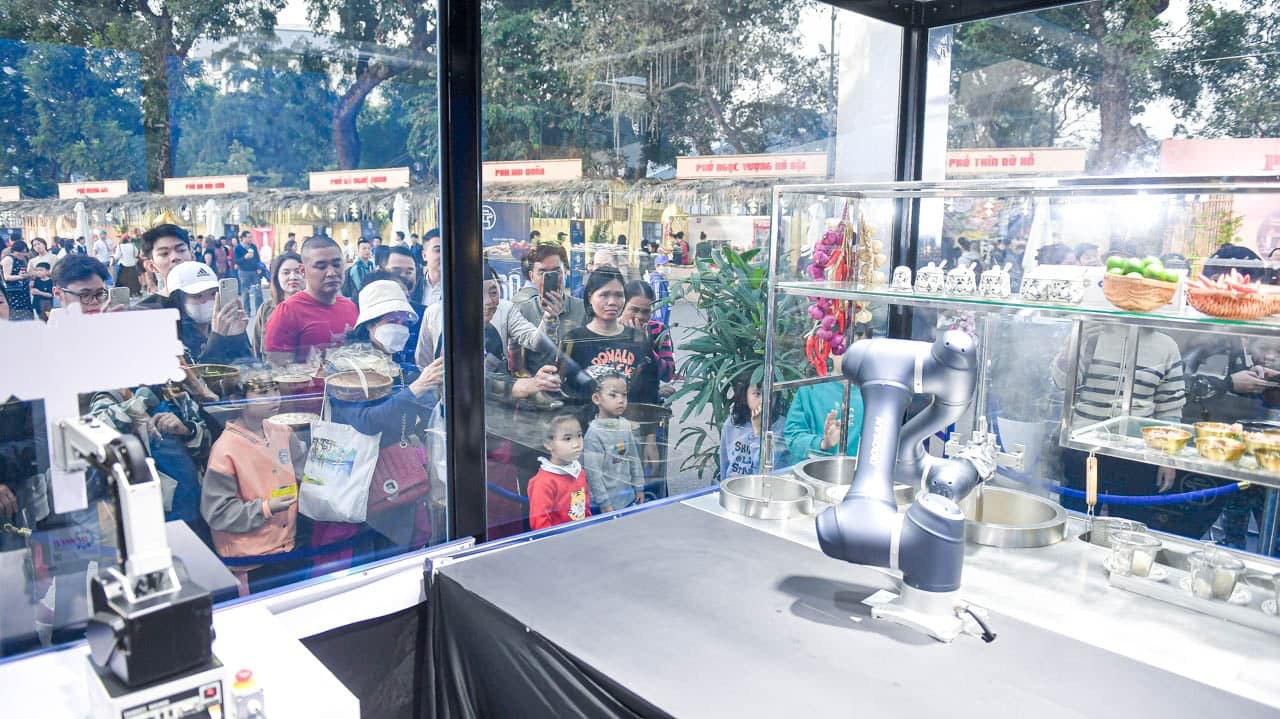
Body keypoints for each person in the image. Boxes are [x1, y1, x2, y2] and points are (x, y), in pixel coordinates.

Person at [314, 279, 441, 567]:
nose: (400, 327)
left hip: (400, 480)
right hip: (361, 481)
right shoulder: (345, 365)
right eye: (391, 320)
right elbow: (365, 421)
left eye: (404, 321)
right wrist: (417, 389)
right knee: (365, 562)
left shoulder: (401, 367)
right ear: (370, 324)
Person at [1052, 325, 1185, 524]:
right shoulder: (1090, 335)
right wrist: (1071, 347)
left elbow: (1170, 409)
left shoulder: (1167, 346)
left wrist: (1167, 458)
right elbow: (1061, 382)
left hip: (1137, 452)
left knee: (1129, 524)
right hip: (1084, 448)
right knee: (1076, 520)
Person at [200, 375, 305, 595]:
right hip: (250, 558)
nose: (274, 398)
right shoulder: (225, 449)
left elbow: (300, 470)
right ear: (238, 400)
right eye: (263, 393)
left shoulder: (282, 432)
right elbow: (218, 512)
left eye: (275, 390)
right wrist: (266, 508)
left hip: (288, 546)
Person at [562, 267, 655, 406]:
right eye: (604, 295)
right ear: (590, 297)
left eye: (618, 295)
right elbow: (566, 389)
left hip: (628, 423)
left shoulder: (638, 339)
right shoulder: (574, 340)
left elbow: (650, 389)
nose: (612, 302)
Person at [264, 236, 357, 365]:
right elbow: (279, 372)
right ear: (303, 270)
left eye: (336, 265)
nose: (331, 273)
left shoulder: (351, 307)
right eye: (321, 266)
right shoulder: (287, 312)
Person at [581, 368, 645, 513]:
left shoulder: (625, 425)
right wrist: (605, 504)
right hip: (604, 506)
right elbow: (593, 476)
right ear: (597, 399)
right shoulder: (594, 435)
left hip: (628, 499)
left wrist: (639, 488)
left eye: (624, 395)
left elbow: (633, 459)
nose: (621, 400)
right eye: (613, 395)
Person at [515, 242, 585, 372]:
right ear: (531, 276)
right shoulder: (522, 311)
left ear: (566, 273)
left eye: (556, 272)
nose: (550, 278)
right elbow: (516, 366)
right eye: (542, 272)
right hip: (535, 387)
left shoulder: (583, 310)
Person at [167, 261, 252, 366]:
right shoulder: (173, 337)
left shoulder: (226, 324)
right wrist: (217, 337)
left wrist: (237, 337)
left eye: (212, 294)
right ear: (178, 300)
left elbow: (249, 369)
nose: (207, 301)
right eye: (198, 296)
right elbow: (201, 377)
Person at [784, 365, 865, 459]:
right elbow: (792, 438)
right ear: (830, 352)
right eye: (840, 350)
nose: (849, 354)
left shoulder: (874, 393)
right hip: (812, 471)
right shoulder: (809, 388)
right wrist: (823, 443)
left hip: (860, 471)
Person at [527, 414, 591, 530]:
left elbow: (585, 509)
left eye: (579, 435)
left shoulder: (579, 471)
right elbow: (540, 526)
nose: (577, 444)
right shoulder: (544, 482)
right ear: (548, 444)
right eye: (567, 438)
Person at [721, 373, 788, 479]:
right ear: (745, 396)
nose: (763, 401)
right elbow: (724, 463)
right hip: (734, 486)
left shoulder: (781, 427)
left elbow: (766, 470)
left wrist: (758, 432)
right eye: (757, 394)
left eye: (770, 394)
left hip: (761, 487)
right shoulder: (732, 423)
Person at [251, 252, 304, 357]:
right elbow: (256, 349)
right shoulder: (266, 309)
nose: (293, 277)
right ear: (276, 277)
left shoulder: (316, 307)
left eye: (298, 272)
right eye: (286, 272)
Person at [137, 224, 194, 309]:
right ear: (152, 266)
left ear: (192, 257)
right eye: (164, 253)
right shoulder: (145, 310)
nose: (175, 257)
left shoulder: (215, 300)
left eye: (181, 250)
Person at [233, 231, 264, 316]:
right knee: (245, 292)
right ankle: (247, 311)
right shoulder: (238, 248)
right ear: (243, 238)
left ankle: (259, 311)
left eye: (251, 237)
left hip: (254, 272)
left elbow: (257, 258)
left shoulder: (253, 246)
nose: (251, 239)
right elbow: (236, 260)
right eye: (249, 237)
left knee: (258, 292)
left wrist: (259, 268)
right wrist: (245, 257)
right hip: (243, 272)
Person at [2, 239, 33, 320]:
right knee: (17, 315)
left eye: (24, 252)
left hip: (23, 293)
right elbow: (6, 277)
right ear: (14, 250)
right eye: (20, 252)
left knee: (26, 315)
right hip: (14, 294)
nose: (23, 254)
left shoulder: (22, 259)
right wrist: (22, 277)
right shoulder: (9, 259)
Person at [420, 229, 443, 307]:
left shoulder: (463, 286)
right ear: (424, 255)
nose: (445, 254)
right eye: (438, 250)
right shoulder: (415, 286)